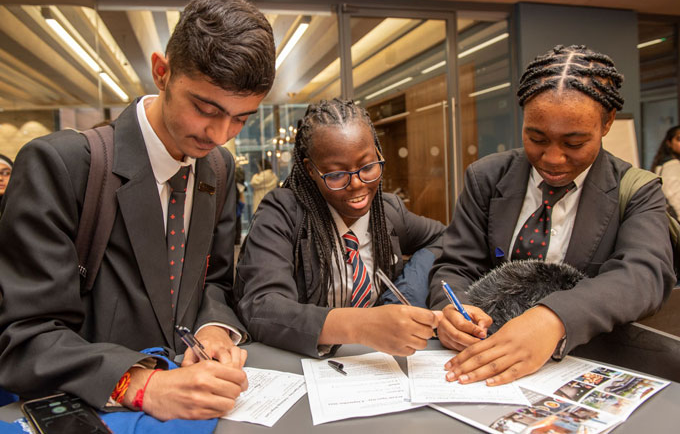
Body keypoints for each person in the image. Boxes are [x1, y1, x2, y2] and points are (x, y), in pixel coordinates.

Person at [0, 0, 275, 420]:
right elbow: (23, 336)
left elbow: (216, 282)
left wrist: (214, 329)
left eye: (241, 118)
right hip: (92, 413)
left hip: (199, 412)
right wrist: (140, 382)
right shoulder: (63, 165)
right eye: (205, 108)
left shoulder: (218, 169)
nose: (221, 135)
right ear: (161, 73)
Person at [429, 45, 674, 387]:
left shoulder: (636, 189)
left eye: (574, 143)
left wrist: (554, 318)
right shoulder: (486, 177)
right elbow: (455, 265)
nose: (553, 159)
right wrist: (451, 309)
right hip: (487, 359)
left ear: (607, 123)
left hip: (579, 363)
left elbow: (643, 275)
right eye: (536, 138)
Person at [235, 98, 444, 357]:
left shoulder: (388, 211)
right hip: (308, 367)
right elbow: (262, 307)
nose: (356, 184)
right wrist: (361, 326)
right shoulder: (283, 213)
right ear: (311, 170)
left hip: (377, 364)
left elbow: (444, 239)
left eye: (367, 167)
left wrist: (405, 292)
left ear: (378, 154)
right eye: (336, 175)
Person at [651, 125, 680, 217]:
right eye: (679, 139)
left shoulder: (663, 163)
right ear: (669, 143)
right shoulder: (672, 165)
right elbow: (675, 196)